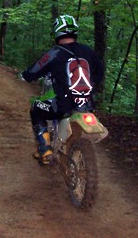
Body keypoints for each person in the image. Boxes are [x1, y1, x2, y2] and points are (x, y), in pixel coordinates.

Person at [20, 14, 104, 164]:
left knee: (36, 109)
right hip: (88, 104)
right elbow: (99, 74)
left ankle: (45, 149)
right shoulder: (89, 51)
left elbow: (34, 71)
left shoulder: (54, 53)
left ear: (57, 32)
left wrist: (25, 75)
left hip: (61, 105)